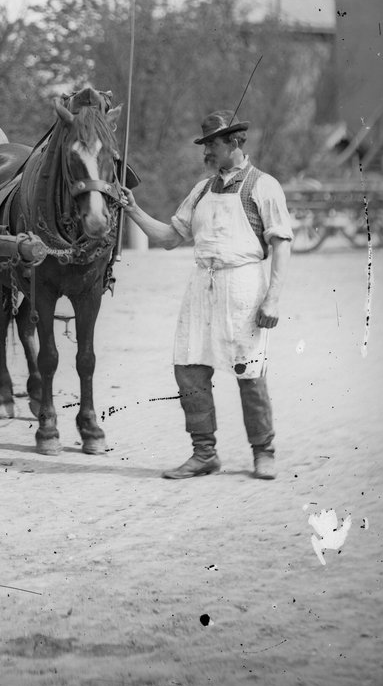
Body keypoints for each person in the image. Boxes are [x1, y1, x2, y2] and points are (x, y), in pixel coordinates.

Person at [119, 109, 293, 481]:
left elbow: (281, 245)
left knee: (249, 370)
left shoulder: (264, 186)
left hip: (243, 286)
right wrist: (132, 209)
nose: (206, 152)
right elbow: (168, 238)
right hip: (202, 286)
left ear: (234, 142)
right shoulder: (200, 189)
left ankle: (264, 452)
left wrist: (273, 298)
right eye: (205, 145)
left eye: (212, 144)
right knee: (188, 370)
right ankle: (204, 454)